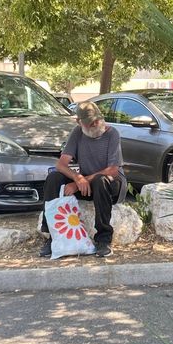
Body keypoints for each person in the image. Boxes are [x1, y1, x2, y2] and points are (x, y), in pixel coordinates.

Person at [39, 101, 127, 258]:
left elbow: (113, 170)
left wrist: (80, 181)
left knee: (101, 180)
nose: (94, 124)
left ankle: (103, 239)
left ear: (100, 117)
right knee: (54, 178)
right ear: (78, 122)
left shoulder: (112, 134)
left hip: (110, 184)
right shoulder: (77, 133)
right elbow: (61, 164)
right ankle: (53, 236)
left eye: (96, 120)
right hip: (86, 184)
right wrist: (77, 177)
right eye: (89, 123)